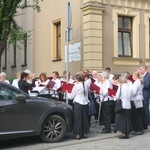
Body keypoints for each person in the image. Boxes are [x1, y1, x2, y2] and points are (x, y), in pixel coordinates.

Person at [67, 71, 89, 139]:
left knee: (78, 118)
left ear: (77, 78)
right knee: (84, 118)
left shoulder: (76, 86)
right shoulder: (85, 85)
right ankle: (84, 133)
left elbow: (71, 97)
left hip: (78, 103)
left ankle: (78, 134)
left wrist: (67, 92)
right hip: (85, 102)